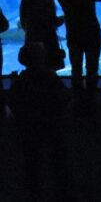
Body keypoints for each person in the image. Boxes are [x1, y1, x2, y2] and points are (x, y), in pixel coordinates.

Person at [7, 42, 71, 201]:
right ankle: (62, 189)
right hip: (52, 124)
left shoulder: (21, 80)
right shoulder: (50, 77)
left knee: (32, 158)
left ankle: (33, 189)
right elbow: (65, 97)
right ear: (42, 57)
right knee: (58, 157)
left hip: (29, 126)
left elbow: (13, 101)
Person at [54, 0, 101, 111]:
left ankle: (78, 101)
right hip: (91, 33)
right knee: (92, 68)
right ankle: (91, 100)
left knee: (76, 69)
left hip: (74, 35)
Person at [19, 0, 65, 71]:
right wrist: (64, 18)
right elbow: (53, 21)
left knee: (34, 67)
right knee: (49, 68)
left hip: (31, 38)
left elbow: (23, 22)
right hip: (48, 39)